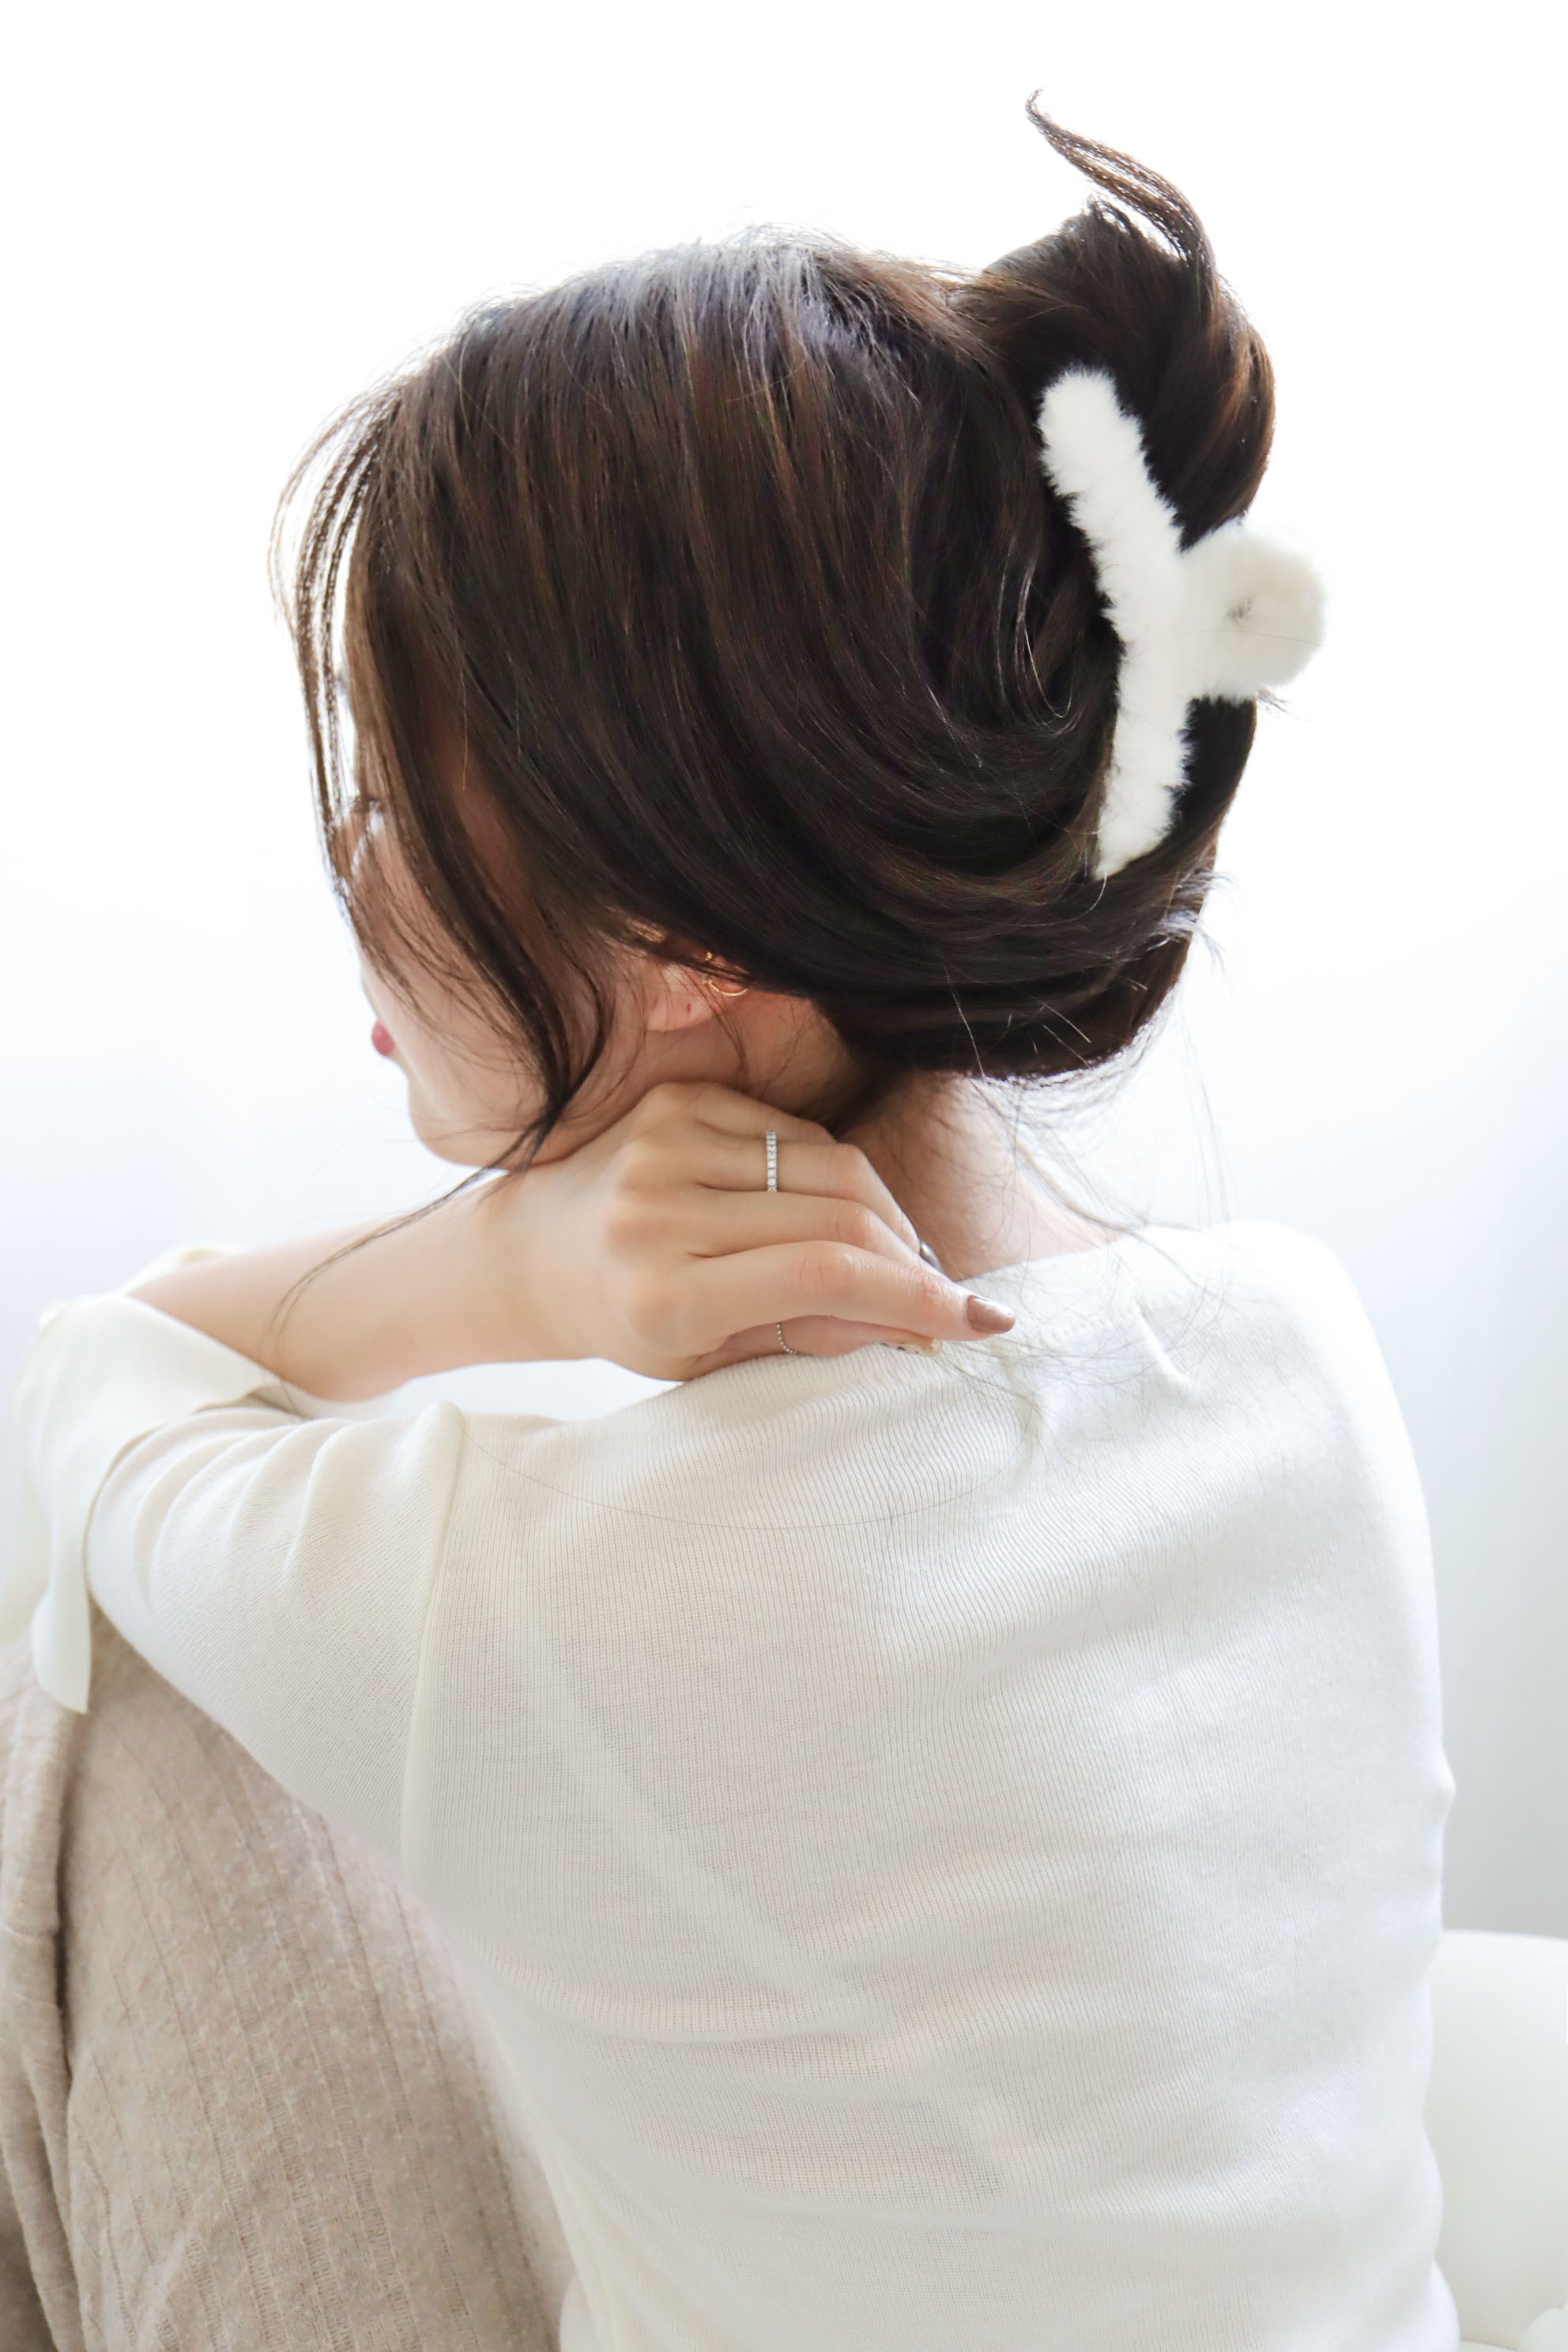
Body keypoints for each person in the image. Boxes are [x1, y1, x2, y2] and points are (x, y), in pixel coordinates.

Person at [0, 99, 1459, 2352]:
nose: (351, 869)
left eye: (393, 787)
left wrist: (505, 1264)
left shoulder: (544, 1594)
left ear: (690, 942)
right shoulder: (1299, 1347)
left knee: (113, 1707)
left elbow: (103, 1380)